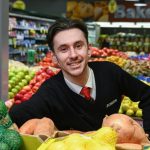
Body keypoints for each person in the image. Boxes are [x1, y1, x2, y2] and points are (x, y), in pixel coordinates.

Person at [9, 18, 150, 136]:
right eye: (63, 49)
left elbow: (147, 94)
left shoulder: (110, 72)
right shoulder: (49, 93)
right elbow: (13, 117)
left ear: (89, 50)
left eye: (78, 46)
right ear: (54, 58)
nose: (73, 55)